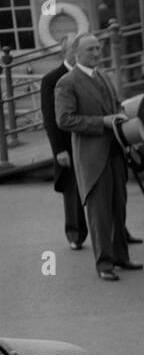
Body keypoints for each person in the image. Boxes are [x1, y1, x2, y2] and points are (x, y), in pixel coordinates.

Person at [54, 34, 141, 281]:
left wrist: (121, 116)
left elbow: (116, 104)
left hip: (115, 151)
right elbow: (64, 119)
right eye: (91, 49)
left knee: (118, 208)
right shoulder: (67, 82)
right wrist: (100, 123)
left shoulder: (103, 75)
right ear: (76, 52)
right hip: (92, 157)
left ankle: (121, 257)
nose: (96, 53)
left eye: (98, 48)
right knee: (99, 213)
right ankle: (104, 264)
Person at [41, 36, 86, 250]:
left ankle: (119, 231)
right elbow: (50, 118)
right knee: (72, 189)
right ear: (65, 52)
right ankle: (75, 234)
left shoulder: (88, 74)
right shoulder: (51, 79)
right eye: (74, 49)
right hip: (66, 142)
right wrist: (58, 149)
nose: (78, 53)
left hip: (90, 139)